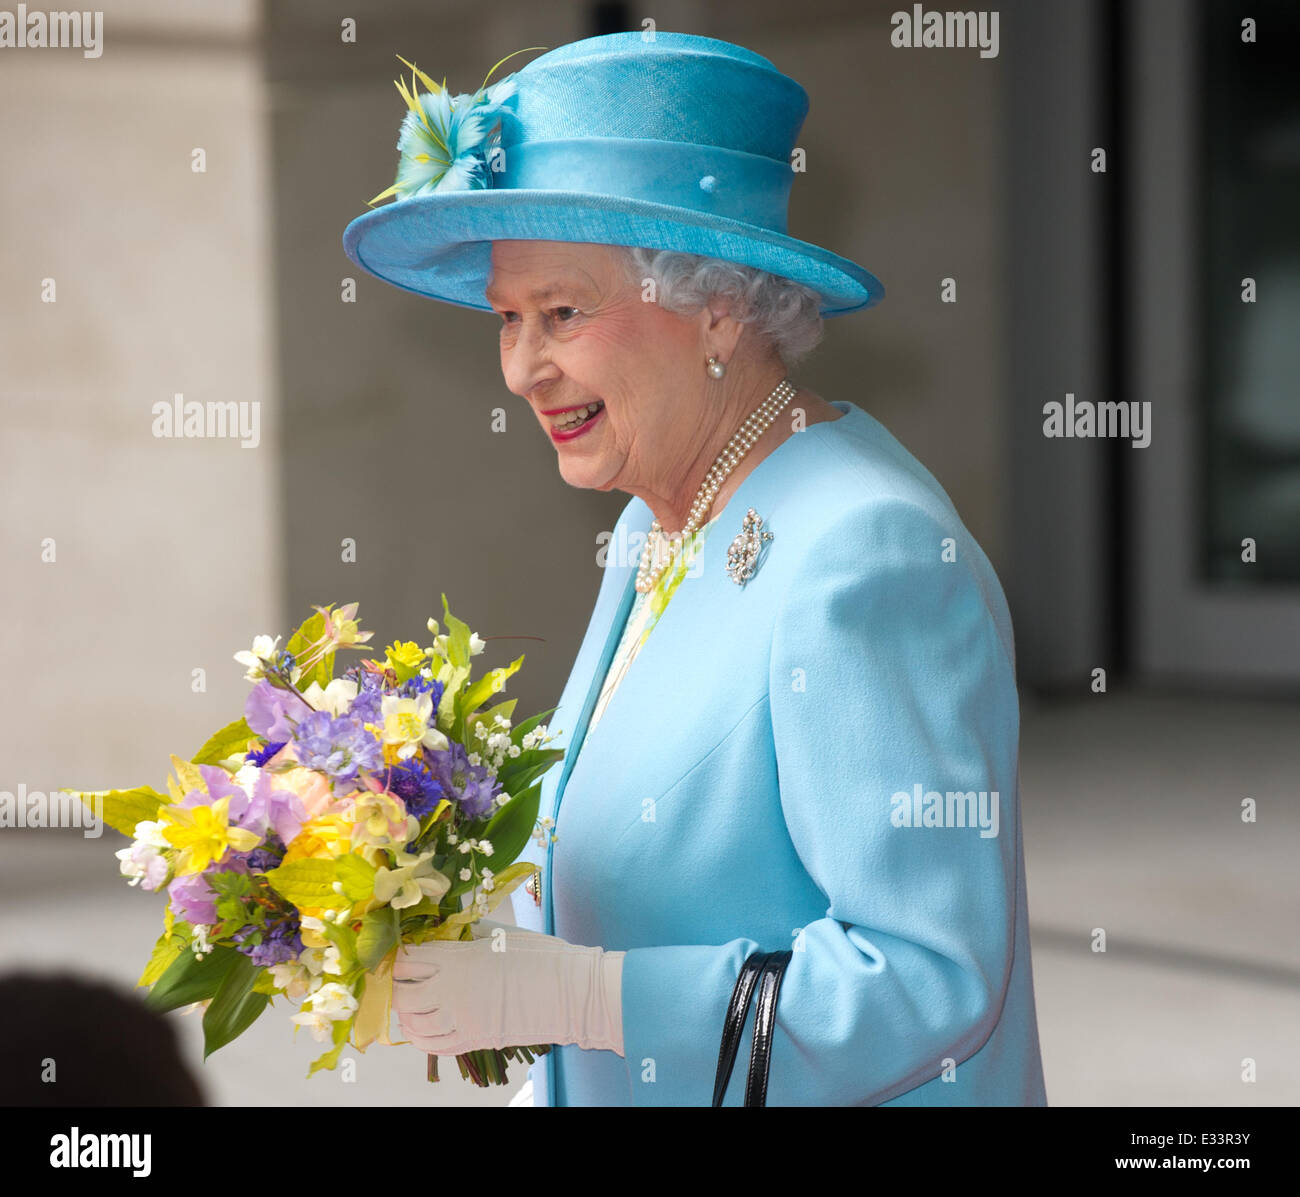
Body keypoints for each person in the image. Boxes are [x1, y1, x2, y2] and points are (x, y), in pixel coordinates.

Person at [343, 30, 1047, 1107]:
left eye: (564, 313)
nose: (526, 368)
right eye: (507, 319)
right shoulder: (662, 515)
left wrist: (581, 1000)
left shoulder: (867, 555)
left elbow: (928, 979)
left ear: (715, 306)